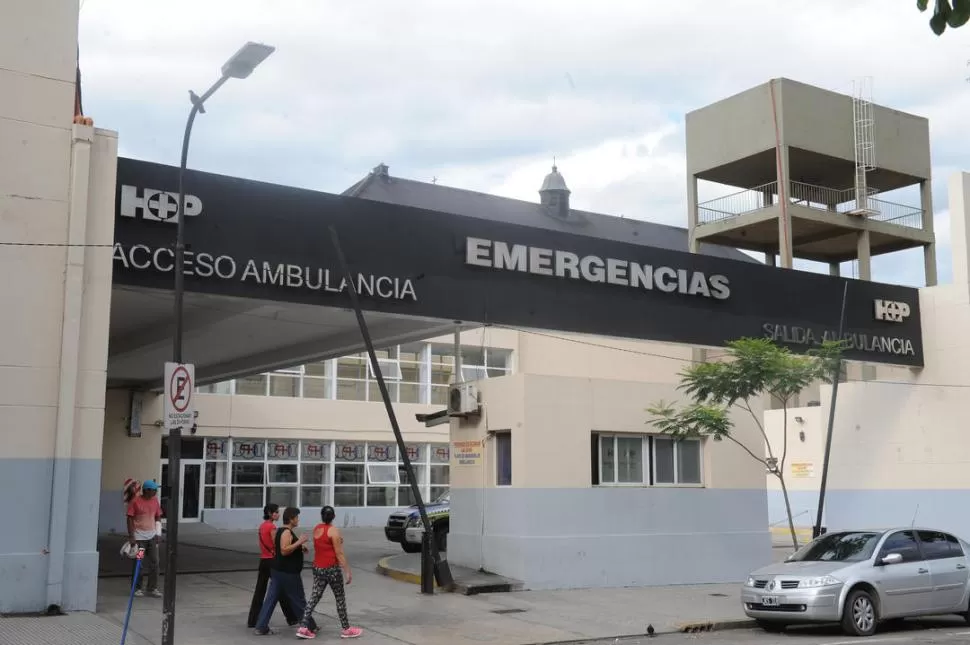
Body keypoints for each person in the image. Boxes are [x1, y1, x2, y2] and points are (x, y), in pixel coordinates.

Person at [296, 506, 362, 640]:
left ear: (321, 516)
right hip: (332, 569)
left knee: (314, 597)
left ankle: (303, 627)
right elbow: (339, 553)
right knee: (340, 598)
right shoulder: (334, 531)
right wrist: (347, 570)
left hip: (318, 568)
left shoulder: (316, 529)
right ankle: (346, 629)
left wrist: (337, 540)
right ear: (333, 516)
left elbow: (324, 544)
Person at [254, 507, 317, 636]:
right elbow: (284, 550)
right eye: (297, 517)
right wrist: (299, 541)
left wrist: (299, 547)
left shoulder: (281, 531)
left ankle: (261, 626)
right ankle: (309, 625)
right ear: (291, 519)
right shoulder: (286, 532)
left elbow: (285, 547)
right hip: (287, 573)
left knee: (271, 599)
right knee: (299, 599)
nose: (298, 520)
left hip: (278, 570)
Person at [247, 503, 300, 629]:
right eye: (276, 512)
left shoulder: (262, 526)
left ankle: (252, 620)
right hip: (272, 561)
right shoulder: (272, 527)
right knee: (280, 590)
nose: (278, 514)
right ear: (270, 513)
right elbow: (277, 544)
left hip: (263, 560)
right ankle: (291, 618)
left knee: (260, 591)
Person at [126, 478, 162, 597]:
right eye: (154, 490)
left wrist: (158, 533)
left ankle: (152, 588)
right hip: (139, 539)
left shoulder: (155, 501)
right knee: (139, 562)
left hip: (151, 537)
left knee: (155, 562)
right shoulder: (135, 502)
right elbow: (130, 518)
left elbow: (158, 517)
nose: (155, 492)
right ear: (146, 490)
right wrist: (132, 536)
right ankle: (137, 588)